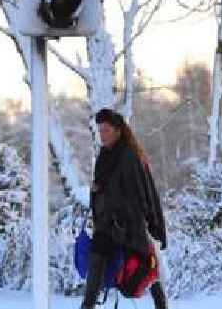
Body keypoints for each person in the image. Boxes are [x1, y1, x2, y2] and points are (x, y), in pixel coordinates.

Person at [80, 109, 168, 309]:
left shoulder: (129, 156)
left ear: (118, 131)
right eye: (100, 130)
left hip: (130, 223)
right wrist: (97, 189)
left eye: (106, 130)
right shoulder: (105, 155)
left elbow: (141, 192)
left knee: (146, 265)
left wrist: (149, 223)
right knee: (97, 259)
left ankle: (162, 305)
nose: (102, 135)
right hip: (107, 224)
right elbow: (105, 186)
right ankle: (87, 305)